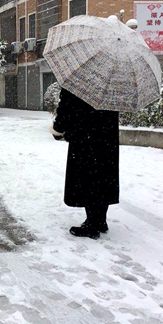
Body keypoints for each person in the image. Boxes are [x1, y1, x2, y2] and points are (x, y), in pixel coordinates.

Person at [49, 88, 119, 239]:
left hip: (85, 137)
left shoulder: (79, 81)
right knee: (102, 177)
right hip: (107, 138)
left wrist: (58, 129)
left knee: (88, 179)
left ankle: (92, 224)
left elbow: (66, 106)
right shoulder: (112, 83)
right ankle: (99, 220)